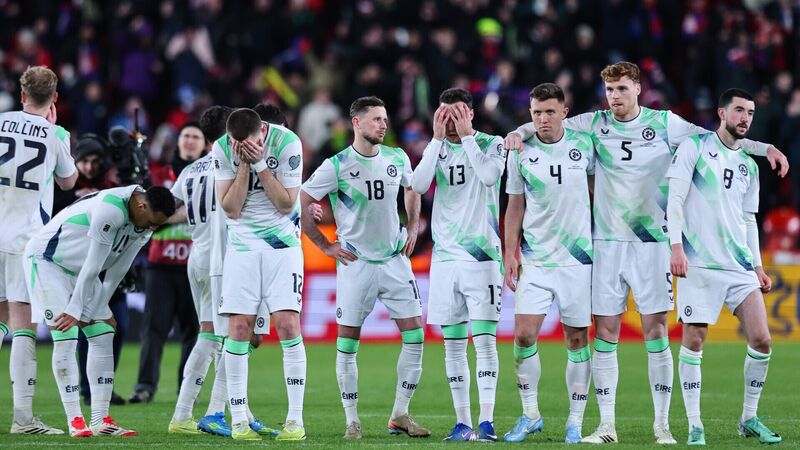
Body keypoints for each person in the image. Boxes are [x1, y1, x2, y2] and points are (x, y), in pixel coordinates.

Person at [505, 61, 788, 444]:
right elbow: (547, 123)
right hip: (607, 245)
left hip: (653, 244)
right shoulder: (595, 123)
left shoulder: (665, 123)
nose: (615, 97)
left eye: (622, 88)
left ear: (638, 89)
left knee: (656, 332)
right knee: (606, 333)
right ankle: (606, 425)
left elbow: (716, 138)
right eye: (610, 90)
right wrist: (517, 133)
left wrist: (764, 148)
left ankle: (661, 425)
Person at [301, 96, 428, 440]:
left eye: (385, 119)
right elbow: (303, 199)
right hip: (356, 263)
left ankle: (400, 414)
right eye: (376, 119)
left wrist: (412, 226)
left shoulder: (397, 157)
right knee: (348, 342)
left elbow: (412, 189)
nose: (383, 125)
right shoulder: (337, 165)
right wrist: (324, 245)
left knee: (415, 335)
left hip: (394, 260)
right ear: (356, 123)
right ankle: (352, 421)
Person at [667, 88, 781, 445]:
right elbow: (675, 199)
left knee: (762, 339)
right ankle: (695, 424)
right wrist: (676, 248)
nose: (745, 118)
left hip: (738, 266)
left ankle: (748, 418)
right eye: (739, 111)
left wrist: (757, 266)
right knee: (694, 340)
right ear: (721, 113)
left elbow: (748, 220)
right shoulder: (695, 148)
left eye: (750, 113)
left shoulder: (749, 165)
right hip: (699, 263)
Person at [24, 184, 175, 437]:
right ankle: (75, 420)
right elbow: (94, 264)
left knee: (104, 333)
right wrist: (76, 310)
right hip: (48, 262)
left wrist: (98, 305)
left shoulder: (145, 224)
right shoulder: (111, 209)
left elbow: (118, 269)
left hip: (81, 271)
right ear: (141, 206)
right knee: (66, 333)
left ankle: (101, 420)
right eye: (153, 222)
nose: (153, 229)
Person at [410, 88, 506, 441]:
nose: (450, 122)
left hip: (482, 258)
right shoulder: (436, 147)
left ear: (471, 114)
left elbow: (489, 176)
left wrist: (467, 139)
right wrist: (436, 141)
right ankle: (463, 422)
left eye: (457, 115)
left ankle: (487, 422)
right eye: (444, 115)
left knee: (484, 342)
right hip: (446, 259)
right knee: (452, 345)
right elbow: (418, 184)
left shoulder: (493, 144)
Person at [503, 83, 594, 444]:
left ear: (564, 113)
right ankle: (530, 415)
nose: (543, 118)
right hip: (536, 259)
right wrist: (510, 253)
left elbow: (600, 192)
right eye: (537, 112)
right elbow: (514, 206)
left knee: (577, 339)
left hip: (578, 260)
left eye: (550, 111)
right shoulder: (520, 152)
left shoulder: (585, 145)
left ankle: (575, 421)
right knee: (524, 335)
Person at [213, 108, 306, 441]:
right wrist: (243, 164)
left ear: (262, 133)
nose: (240, 148)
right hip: (242, 246)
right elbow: (231, 208)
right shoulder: (222, 148)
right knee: (238, 328)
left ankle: (295, 421)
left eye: (247, 144)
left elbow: (286, 203)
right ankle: (239, 421)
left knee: (287, 324)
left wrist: (261, 164)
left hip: (283, 245)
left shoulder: (288, 142)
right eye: (235, 143)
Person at [0, 65, 77, 435]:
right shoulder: (55, 134)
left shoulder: (0, 122)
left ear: (22, 94)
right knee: (22, 325)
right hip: (24, 240)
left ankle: (24, 418)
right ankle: (23, 418)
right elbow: (69, 181)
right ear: (55, 98)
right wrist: (55, 129)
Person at [130, 122, 204, 403]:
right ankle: (145, 386)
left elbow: (157, 217)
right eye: (186, 135)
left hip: (194, 265)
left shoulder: (209, 174)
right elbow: (146, 216)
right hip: (160, 265)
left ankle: (187, 389)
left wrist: (165, 215)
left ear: (205, 144)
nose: (190, 141)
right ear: (178, 141)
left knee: (193, 331)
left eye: (196, 137)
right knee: (153, 329)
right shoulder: (157, 174)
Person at [52, 135, 127, 407]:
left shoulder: (114, 184)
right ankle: (86, 389)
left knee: (118, 327)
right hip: (75, 266)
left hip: (108, 266)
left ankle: (104, 386)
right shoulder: (63, 187)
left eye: (95, 161)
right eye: (84, 161)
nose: (90, 167)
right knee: (83, 329)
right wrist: (77, 200)